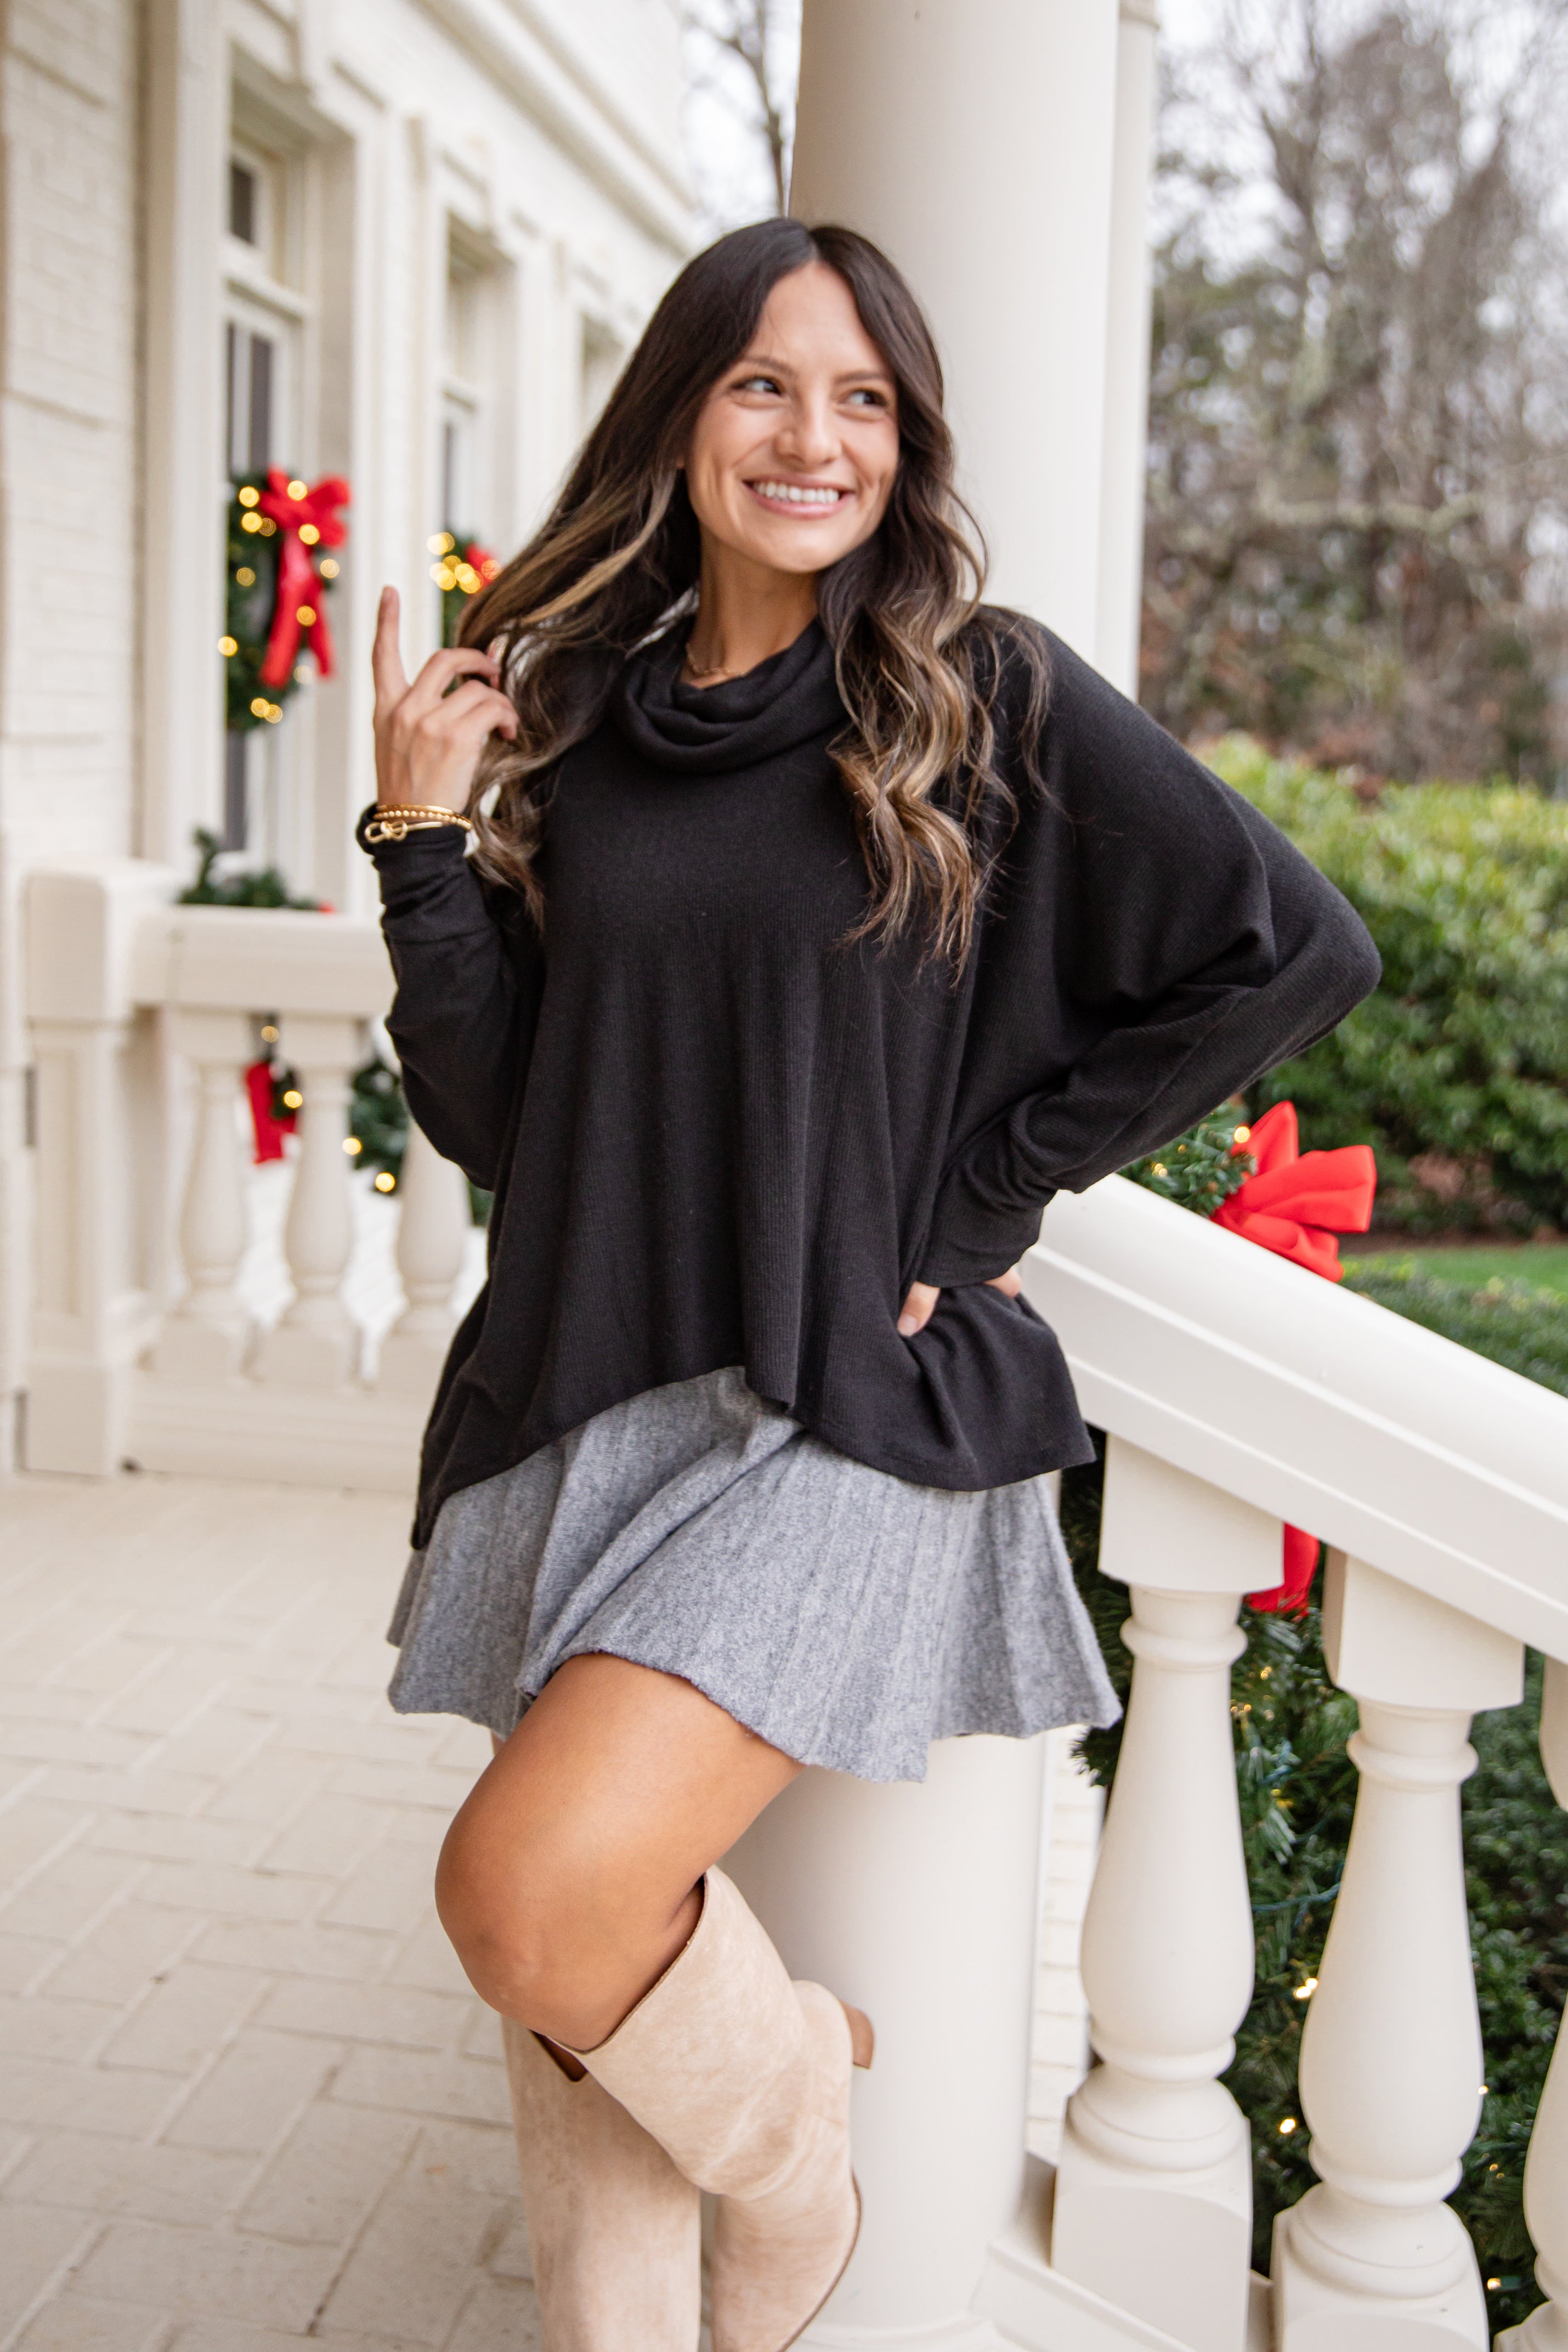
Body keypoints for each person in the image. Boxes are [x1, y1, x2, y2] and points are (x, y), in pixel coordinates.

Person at [360, 218, 1380, 2352]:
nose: (809, 434)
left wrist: (966, 1214)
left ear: (902, 442)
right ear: (682, 415)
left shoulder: (970, 689)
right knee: (586, 1969)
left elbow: (1283, 947)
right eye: (759, 382)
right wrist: (419, 837)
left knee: (530, 1896)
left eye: (861, 396)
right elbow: (508, 1119)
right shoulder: (596, 724)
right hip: (589, 1384)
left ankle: (802, 2125)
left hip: (838, 1408)